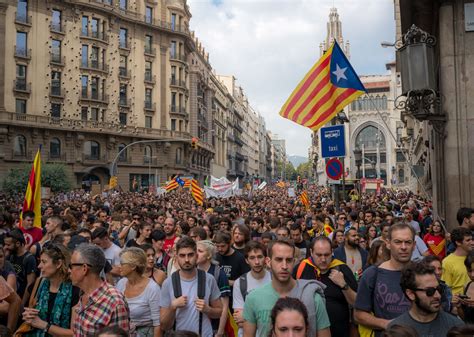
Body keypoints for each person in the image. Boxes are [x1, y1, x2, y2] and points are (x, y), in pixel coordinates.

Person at [243, 239, 330, 337]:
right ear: (268, 262)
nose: (284, 266)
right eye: (279, 259)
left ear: (294, 262)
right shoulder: (254, 298)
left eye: (288, 260)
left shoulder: (313, 297)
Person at [354, 223, 416, 337]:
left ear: (414, 245)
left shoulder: (422, 273)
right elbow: (359, 315)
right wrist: (387, 324)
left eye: (408, 242)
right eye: (397, 242)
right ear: (388, 244)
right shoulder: (372, 274)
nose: (403, 247)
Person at [294, 236, 358, 337]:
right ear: (311, 252)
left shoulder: (342, 269)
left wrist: (344, 285)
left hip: (339, 332)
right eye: (319, 255)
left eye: (327, 255)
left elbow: (357, 303)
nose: (323, 259)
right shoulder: (301, 268)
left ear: (332, 251)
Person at [160, 237, 223, 336]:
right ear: (176, 257)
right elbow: (164, 325)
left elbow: (219, 312)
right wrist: (173, 307)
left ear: (196, 256)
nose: (186, 260)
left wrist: (208, 310)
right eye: (182, 255)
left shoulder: (209, 279)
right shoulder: (168, 283)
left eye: (190, 255)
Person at [387, 261, 464, 337]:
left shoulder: (456, 327)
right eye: (430, 291)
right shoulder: (395, 331)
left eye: (439, 289)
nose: (438, 296)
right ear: (411, 294)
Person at [70, 243, 129, 335]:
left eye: (71, 266)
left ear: (84, 268)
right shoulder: (83, 293)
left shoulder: (114, 302)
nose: (69, 270)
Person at [22, 244, 80, 336]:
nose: (39, 266)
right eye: (40, 261)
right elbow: (31, 313)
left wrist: (44, 325)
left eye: (44, 262)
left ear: (58, 264)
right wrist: (28, 316)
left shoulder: (75, 290)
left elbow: (74, 333)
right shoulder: (39, 283)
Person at [116, 247, 161, 337]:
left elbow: (158, 323)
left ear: (133, 266)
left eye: (122, 263)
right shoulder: (121, 283)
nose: (118, 266)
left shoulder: (152, 288)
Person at [233, 241, 272, 334]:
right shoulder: (240, 283)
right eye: (252, 258)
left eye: (260, 257)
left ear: (266, 259)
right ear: (247, 260)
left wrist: (248, 317)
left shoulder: (274, 279)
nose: (257, 262)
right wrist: (267, 317)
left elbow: (280, 318)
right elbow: (239, 321)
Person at [196, 240, 230, 337]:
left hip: (213, 328)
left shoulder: (218, 274)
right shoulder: (191, 271)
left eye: (200, 251)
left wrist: (219, 332)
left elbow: (224, 307)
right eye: (195, 250)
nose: (196, 254)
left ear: (209, 255)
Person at [4, 229, 37, 304]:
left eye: (8, 245)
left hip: (20, 299)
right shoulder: (10, 255)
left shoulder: (29, 259)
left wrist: (21, 304)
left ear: (18, 243)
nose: (6, 247)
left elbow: (30, 284)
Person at [442, 227, 472, 294]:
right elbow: (446, 288)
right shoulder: (447, 262)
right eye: (468, 240)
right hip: (458, 302)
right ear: (458, 242)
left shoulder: (472, 257)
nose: (472, 242)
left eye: (472, 239)